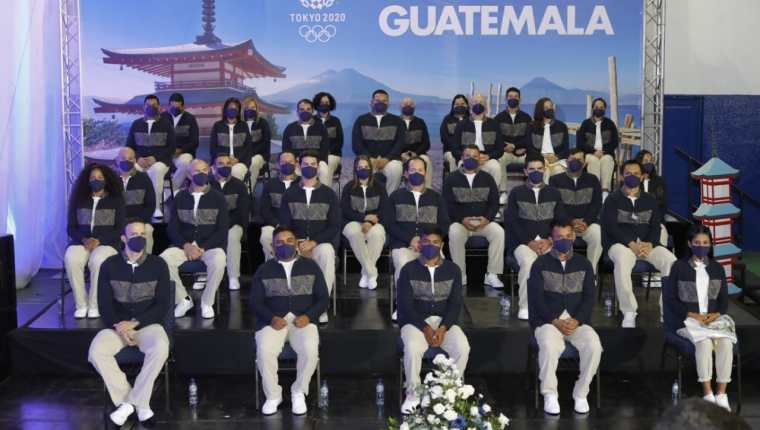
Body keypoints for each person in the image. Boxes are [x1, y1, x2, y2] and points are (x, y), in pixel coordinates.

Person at [88, 220, 171, 426]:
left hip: (147, 324)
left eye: (143, 234)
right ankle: (135, 403)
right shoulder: (109, 265)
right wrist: (120, 326)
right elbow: (104, 304)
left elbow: (162, 305)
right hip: (117, 327)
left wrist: (135, 324)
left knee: (161, 346)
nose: (139, 238)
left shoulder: (158, 265)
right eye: (134, 234)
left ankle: (129, 404)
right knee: (96, 350)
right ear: (124, 239)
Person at [251, 225, 328, 416]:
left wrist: (309, 316)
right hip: (273, 320)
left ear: (297, 243)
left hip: (303, 319)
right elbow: (254, 302)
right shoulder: (263, 269)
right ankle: (273, 395)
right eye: (279, 242)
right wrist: (270, 318)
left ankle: (299, 391)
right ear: (272, 246)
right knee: (264, 350)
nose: (284, 245)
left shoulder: (311, 266)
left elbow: (323, 299)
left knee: (310, 351)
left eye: (289, 241)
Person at [528, 220, 602, 415]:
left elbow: (589, 297)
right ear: (551, 239)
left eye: (568, 237)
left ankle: (581, 393)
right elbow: (536, 299)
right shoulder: (539, 264)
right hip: (548, 321)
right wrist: (554, 321)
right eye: (559, 237)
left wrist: (577, 320)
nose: (564, 240)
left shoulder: (584, 264)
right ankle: (550, 394)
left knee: (594, 346)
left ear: (574, 238)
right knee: (550, 345)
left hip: (577, 321)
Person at [397, 226, 469, 414]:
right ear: (420, 244)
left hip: (444, 322)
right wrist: (426, 328)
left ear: (442, 245)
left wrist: (444, 328)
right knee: (413, 348)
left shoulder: (453, 270)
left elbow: (455, 305)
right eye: (426, 242)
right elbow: (405, 306)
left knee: (462, 347)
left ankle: (449, 392)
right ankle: (412, 395)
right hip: (415, 323)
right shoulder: (408, 270)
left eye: (435, 242)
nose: (431, 246)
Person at [664, 225, 735, 411]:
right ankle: (708, 393)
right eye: (697, 243)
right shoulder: (678, 267)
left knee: (726, 344)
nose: (701, 246)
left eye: (705, 243)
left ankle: (721, 394)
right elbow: (670, 299)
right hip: (689, 321)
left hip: (713, 320)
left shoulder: (718, 269)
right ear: (689, 244)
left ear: (710, 245)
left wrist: (716, 314)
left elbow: (723, 300)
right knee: (703, 344)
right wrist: (691, 314)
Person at [602, 159, 677, 328]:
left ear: (642, 177)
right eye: (628, 173)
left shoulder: (650, 200)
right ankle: (629, 311)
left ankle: (667, 310)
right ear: (622, 176)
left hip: (646, 245)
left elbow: (655, 225)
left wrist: (650, 243)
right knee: (622, 260)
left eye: (636, 173)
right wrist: (630, 244)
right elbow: (611, 227)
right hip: (620, 245)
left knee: (671, 261)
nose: (632, 176)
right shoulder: (612, 200)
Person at [160, 159, 228, 319]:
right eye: (197, 171)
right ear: (189, 175)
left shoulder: (218, 198)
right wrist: (186, 246)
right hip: (184, 246)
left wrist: (202, 248)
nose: (202, 174)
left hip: (209, 247)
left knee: (219, 260)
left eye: (205, 170)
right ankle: (183, 299)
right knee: (163, 260)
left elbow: (222, 230)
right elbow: (172, 228)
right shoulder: (179, 197)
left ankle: (207, 302)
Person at [280, 150, 341, 323]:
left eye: (313, 164)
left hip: (319, 243)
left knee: (327, 251)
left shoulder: (329, 194)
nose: (309, 167)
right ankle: (289, 305)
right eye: (305, 164)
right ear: (299, 167)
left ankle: (320, 308)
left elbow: (334, 226)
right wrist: (297, 244)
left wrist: (313, 242)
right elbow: (285, 225)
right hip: (295, 244)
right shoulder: (289, 193)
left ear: (318, 167)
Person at [385, 157, 449, 320]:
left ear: (425, 173)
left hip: (431, 247)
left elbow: (444, 224)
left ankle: (432, 308)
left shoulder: (436, 197)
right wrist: (410, 240)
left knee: (440, 266)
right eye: (413, 170)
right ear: (406, 173)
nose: (417, 173)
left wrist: (426, 241)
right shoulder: (396, 196)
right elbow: (390, 224)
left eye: (420, 170)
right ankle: (402, 307)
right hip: (402, 246)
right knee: (404, 264)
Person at [504, 153, 566, 320]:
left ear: (545, 170)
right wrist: (529, 242)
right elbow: (512, 223)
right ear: (525, 171)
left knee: (560, 260)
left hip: (549, 243)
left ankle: (559, 308)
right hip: (522, 244)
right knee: (528, 262)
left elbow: (561, 221)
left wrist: (550, 241)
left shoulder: (554, 193)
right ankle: (525, 307)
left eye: (539, 169)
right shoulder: (516, 193)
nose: (536, 172)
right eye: (532, 169)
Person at [65, 163, 125, 319]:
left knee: (98, 261)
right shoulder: (78, 199)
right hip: (82, 242)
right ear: (87, 180)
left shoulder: (116, 200)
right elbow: (71, 228)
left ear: (106, 180)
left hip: (107, 243)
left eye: (100, 177)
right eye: (92, 178)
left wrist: (99, 240)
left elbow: (119, 228)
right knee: (71, 258)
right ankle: (81, 304)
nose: (96, 180)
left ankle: (94, 305)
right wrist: (84, 239)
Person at [442, 144, 504, 288]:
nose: (471, 159)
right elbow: (447, 205)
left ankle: (492, 274)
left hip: (482, 222)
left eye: (475, 156)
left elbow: (494, 203)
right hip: (461, 223)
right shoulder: (451, 179)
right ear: (462, 158)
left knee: (499, 232)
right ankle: (460, 275)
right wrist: (461, 219)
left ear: (480, 159)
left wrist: (487, 218)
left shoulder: (487, 178)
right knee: (454, 231)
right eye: (468, 156)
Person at [549, 147, 603, 274]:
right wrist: (570, 222)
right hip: (565, 224)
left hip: (586, 224)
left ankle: (591, 272)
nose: (575, 162)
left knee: (598, 234)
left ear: (584, 163)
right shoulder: (555, 180)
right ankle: (566, 272)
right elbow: (557, 206)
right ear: (566, 161)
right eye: (572, 159)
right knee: (561, 234)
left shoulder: (593, 179)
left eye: (579, 159)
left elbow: (596, 204)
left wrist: (586, 222)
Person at [341, 155, 387, 290]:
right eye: (360, 167)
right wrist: (364, 219)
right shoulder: (348, 187)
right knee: (355, 233)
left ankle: (366, 274)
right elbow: (345, 210)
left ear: (371, 169)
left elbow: (384, 210)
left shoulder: (380, 187)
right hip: (352, 221)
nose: (363, 170)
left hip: (375, 222)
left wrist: (371, 223)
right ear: (355, 169)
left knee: (377, 234)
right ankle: (372, 273)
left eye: (366, 167)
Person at [126, 94, 175, 218]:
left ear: (159, 107)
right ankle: (134, 209)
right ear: (143, 107)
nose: (151, 107)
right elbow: (129, 146)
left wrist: (155, 158)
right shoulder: (136, 124)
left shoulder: (166, 124)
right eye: (148, 105)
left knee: (156, 170)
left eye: (154, 105)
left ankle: (156, 207)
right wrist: (138, 158)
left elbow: (171, 147)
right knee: (131, 170)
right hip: (140, 161)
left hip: (161, 161)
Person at [352, 89, 405, 194]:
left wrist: (387, 159)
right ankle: (369, 199)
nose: (381, 103)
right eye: (377, 100)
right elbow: (356, 144)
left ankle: (389, 199)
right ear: (371, 102)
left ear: (388, 103)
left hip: (390, 160)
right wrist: (369, 158)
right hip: (368, 160)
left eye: (384, 101)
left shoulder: (397, 121)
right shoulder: (361, 120)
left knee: (396, 170)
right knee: (364, 170)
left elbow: (400, 143)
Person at [209, 155, 251, 291]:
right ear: (213, 168)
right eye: (221, 163)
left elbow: (242, 213)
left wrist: (224, 226)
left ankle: (233, 276)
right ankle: (204, 275)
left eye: (228, 163)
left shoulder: (239, 186)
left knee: (232, 237)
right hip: (210, 225)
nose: (225, 166)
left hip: (234, 224)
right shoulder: (206, 185)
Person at [452, 93, 505, 188]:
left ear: (485, 106)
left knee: (496, 167)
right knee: (461, 166)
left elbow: (500, 149)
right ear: (470, 106)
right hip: (466, 158)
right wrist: (467, 157)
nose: (478, 104)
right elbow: (455, 148)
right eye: (475, 102)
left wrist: (489, 156)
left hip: (487, 158)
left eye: (481, 102)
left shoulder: (494, 124)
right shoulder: (461, 125)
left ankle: (493, 194)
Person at [115, 147, 156, 253]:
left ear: (135, 161)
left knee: (148, 230)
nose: (127, 161)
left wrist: (136, 223)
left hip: (139, 222)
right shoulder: (110, 180)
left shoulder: (144, 178)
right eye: (123, 158)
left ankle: (146, 263)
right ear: (117, 160)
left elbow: (150, 205)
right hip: (116, 223)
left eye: (130, 158)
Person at [260, 151, 299, 260]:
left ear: (296, 164)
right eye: (284, 162)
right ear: (278, 165)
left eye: (290, 162)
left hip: (297, 226)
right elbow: (264, 210)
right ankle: (273, 268)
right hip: (275, 226)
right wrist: (277, 225)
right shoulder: (270, 184)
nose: (287, 164)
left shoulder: (303, 183)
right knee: (266, 235)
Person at [494, 87, 531, 201]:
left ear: (520, 99)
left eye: (516, 97)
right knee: (500, 159)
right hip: (506, 152)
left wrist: (515, 147)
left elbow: (529, 138)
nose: (513, 99)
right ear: (506, 98)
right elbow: (496, 138)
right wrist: (506, 147)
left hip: (523, 152)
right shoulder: (499, 118)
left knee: (534, 161)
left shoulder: (527, 118)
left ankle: (530, 192)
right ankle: (503, 192)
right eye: (510, 96)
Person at [576, 98, 618, 196]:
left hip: (606, 153)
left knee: (607, 160)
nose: (599, 109)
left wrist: (603, 152)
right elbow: (581, 143)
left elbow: (615, 142)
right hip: (590, 153)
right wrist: (594, 151)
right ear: (592, 108)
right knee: (593, 161)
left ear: (605, 109)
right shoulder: (586, 123)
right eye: (596, 107)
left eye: (601, 107)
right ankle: (595, 191)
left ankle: (605, 192)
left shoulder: (610, 124)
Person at [282, 99, 331, 185]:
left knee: (324, 170)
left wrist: (314, 161)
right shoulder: (290, 128)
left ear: (312, 111)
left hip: (316, 162)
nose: (305, 111)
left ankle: (325, 195)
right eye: (302, 109)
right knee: (290, 172)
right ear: (297, 111)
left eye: (308, 109)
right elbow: (286, 149)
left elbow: (325, 149)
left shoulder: (321, 127)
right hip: (297, 163)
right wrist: (295, 160)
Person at [162, 92, 199, 193]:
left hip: (183, 154)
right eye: (172, 107)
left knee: (185, 163)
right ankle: (171, 193)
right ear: (168, 105)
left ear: (183, 106)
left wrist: (181, 150)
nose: (174, 109)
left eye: (177, 107)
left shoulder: (190, 119)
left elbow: (195, 142)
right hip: (165, 154)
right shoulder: (161, 118)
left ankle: (170, 192)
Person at [209, 97, 252, 182]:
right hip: (221, 161)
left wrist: (238, 159)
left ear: (239, 111)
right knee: (214, 174)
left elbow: (248, 148)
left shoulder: (243, 126)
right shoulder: (217, 126)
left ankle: (234, 193)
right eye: (230, 108)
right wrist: (224, 160)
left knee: (235, 172)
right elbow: (213, 147)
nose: (233, 110)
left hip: (240, 162)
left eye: (235, 108)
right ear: (225, 110)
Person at [528, 97, 568, 183]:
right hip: (538, 159)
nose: (550, 109)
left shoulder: (561, 126)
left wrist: (557, 157)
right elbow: (529, 147)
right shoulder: (532, 126)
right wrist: (541, 157)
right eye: (546, 108)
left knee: (559, 171)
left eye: (551, 107)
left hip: (556, 160)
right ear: (540, 110)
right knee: (544, 170)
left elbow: (566, 149)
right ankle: (543, 195)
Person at [636, 149, 669, 246]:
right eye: (645, 161)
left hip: (656, 220)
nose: (649, 163)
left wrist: (654, 219)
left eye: (650, 161)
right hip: (637, 221)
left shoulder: (659, 181)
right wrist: (639, 181)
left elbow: (663, 205)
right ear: (639, 163)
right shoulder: (633, 181)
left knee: (662, 232)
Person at [399, 97, 433, 188]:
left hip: (418, 154)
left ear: (414, 107)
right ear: (400, 106)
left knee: (426, 160)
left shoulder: (420, 122)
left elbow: (426, 143)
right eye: (405, 104)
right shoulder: (395, 122)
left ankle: (427, 189)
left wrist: (416, 153)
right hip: (399, 156)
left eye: (411, 104)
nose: (408, 106)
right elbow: (392, 144)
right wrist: (400, 154)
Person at [242, 96, 272, 189]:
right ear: (243, 110)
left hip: (260, 155)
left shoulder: (263, 123)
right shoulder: (240, 125)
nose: (250, 110)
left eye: (253, 108)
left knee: (253, 162)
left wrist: (251, 153)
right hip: (242, 155)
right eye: (247, 108)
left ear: (256, 109)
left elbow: (266, 143)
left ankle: (247, 191)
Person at [313, 92, 343, 183]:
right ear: (317, 104)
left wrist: (325, 154)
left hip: (332, 155)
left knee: (327, 162)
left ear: (331, 104)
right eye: (322, 102)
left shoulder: (335, 121)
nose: (324, 105)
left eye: (327, 103)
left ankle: (325, 194)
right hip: (313, 155)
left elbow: (339, 142)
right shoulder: (311, 121)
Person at [440, 95, 470, 175]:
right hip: (450, 151)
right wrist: (456, 149)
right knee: (452, 157)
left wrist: (466, 151)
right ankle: (454, 182)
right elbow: (444, 138)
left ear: (467, 105)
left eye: (462, 104)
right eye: (457, 104)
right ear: (453, 106)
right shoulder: (447, 119)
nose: (460, 106)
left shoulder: (471, 120)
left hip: (469, 151)